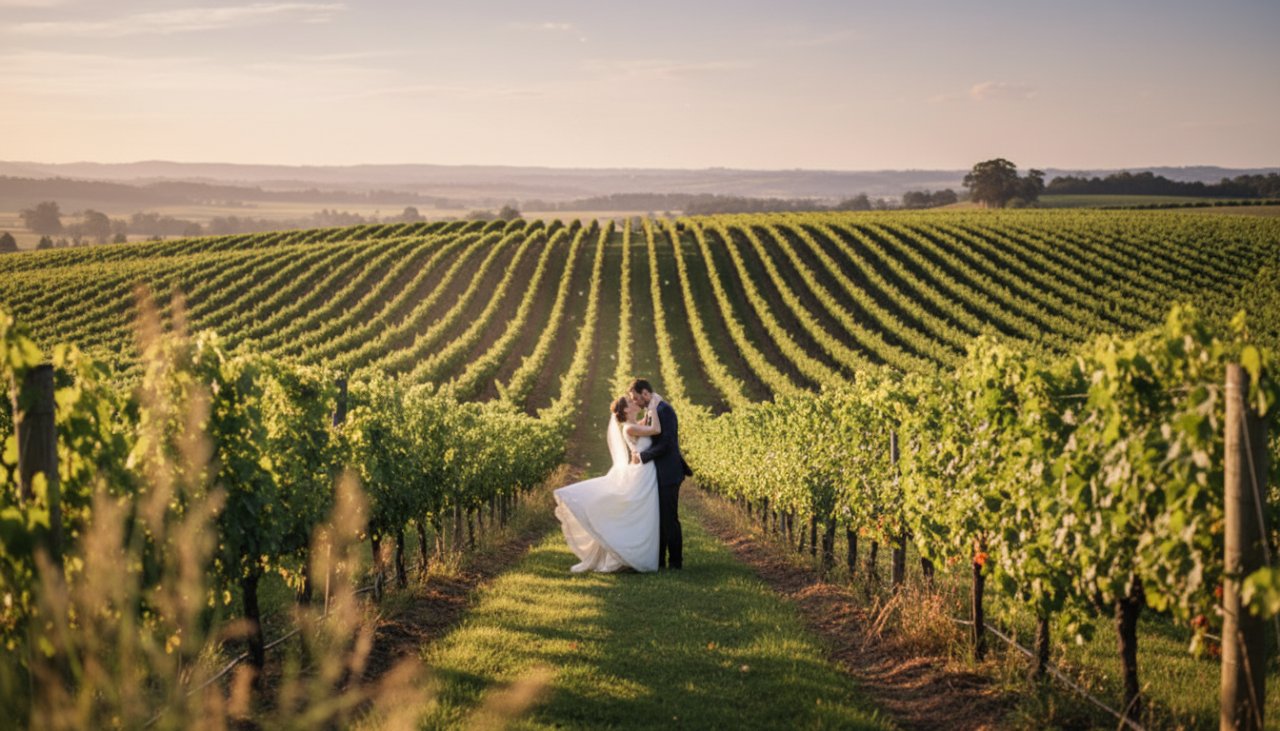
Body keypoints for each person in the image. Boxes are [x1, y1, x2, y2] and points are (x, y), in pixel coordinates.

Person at [553, 394, 661, 573]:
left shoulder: (635, 424)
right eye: (631, 402)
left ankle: (632, 555)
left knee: (640, 513)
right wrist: (655, 406)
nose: (635, 402)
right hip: (641, 473)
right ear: (626, 410)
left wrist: (650, 411)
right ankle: (627, 556)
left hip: (645, 472)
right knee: (634, 512)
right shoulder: (629, 429)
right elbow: (655, 429)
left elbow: (647, 424)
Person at [628, 379, 692, 570]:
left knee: (669, 518)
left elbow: (667, 443)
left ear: (645, 393)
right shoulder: (653, 410)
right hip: (657, 473)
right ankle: (659, 561)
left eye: (636, 398)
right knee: (658, 518)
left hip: (669, 472)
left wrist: (642, 456)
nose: (636, 402)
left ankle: (675, 562)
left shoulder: (664, 410)